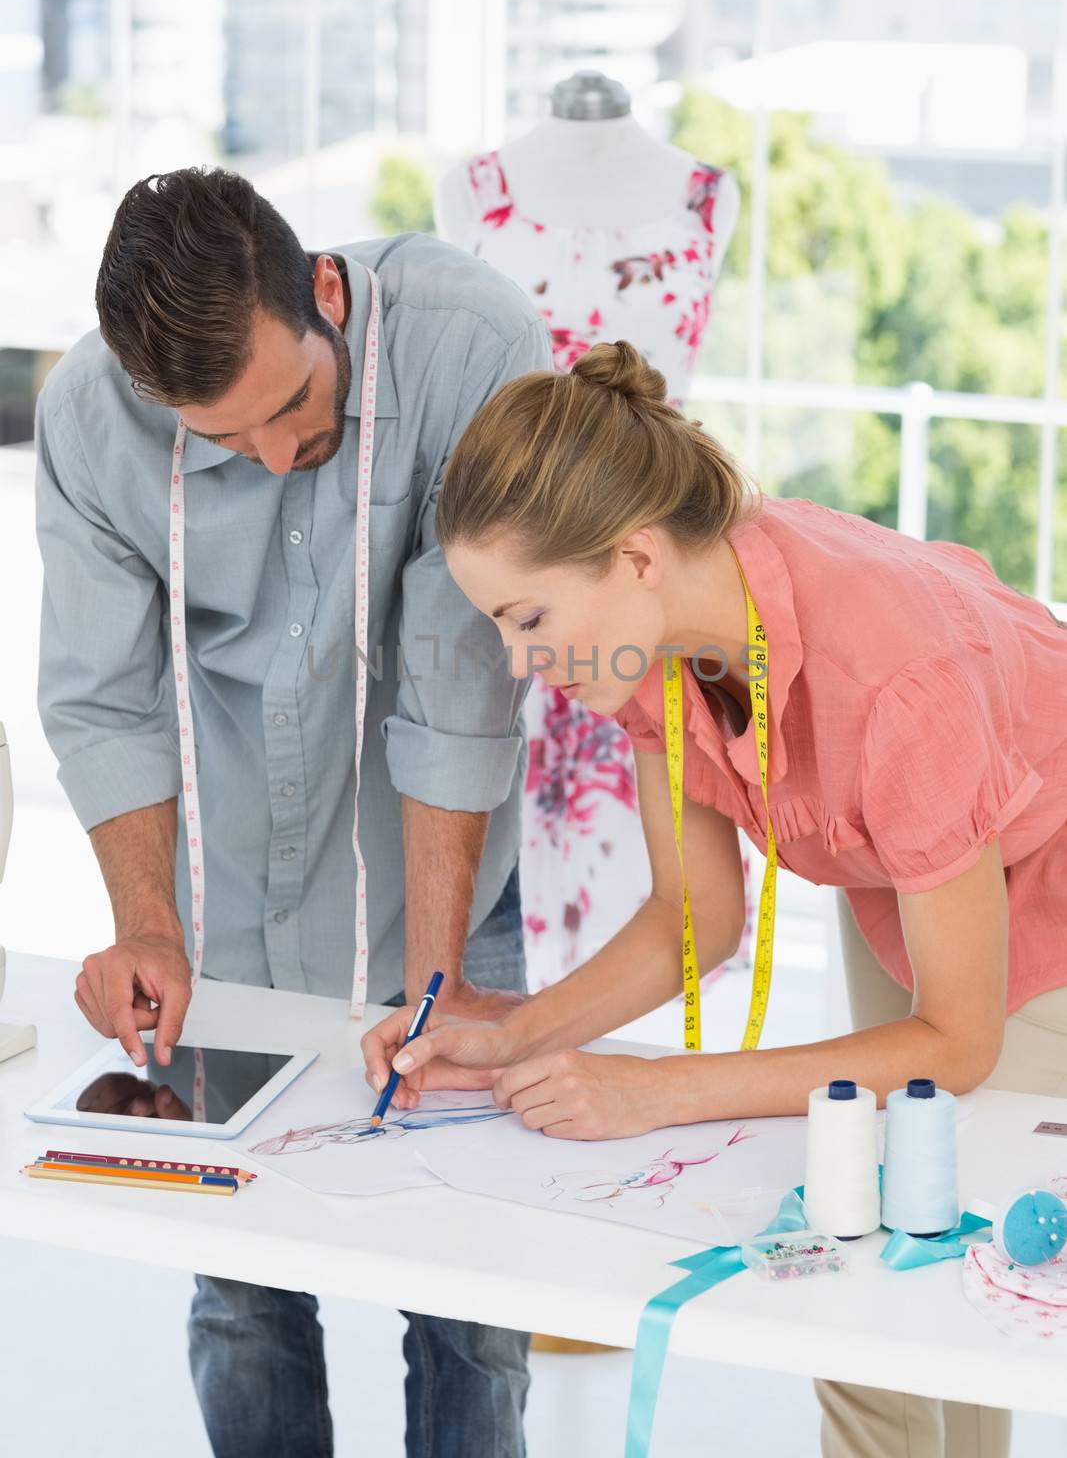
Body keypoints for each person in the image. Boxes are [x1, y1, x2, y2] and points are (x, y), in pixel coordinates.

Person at [363, 338, 1067, 1458]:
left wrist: (652, 1092)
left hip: (1048, 866)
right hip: (909, 864)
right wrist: (506, 1039)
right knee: (867, 1253)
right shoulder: (649, 639)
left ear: (633, 558)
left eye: (527, 618)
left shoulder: (895, 681)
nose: (512, 661)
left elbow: (959, 1041)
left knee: (966, 1254)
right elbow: (694, 918)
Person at [34, 166, 550, 1458]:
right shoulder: (89, 422)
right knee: (243, 1289)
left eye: (292, 407)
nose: (274, 456)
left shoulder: (470, 351)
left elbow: (456, 689)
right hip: (226, 905)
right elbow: (104, 701)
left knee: (470, 1302)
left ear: (323, 291)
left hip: (446, 881)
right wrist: (147, 925)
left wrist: (434, 980)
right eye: (224, 441)